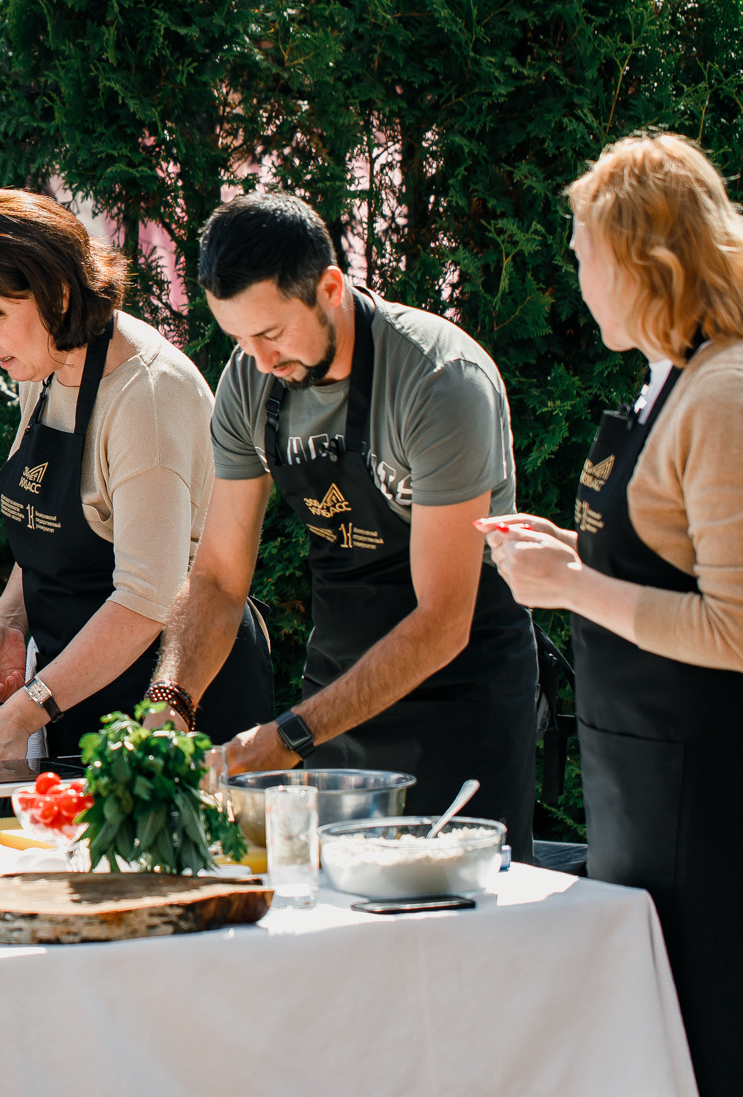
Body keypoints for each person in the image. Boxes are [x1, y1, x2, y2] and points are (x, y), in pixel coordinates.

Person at [484, 134, 743, 1097]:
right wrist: (569, 553)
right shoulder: (675, 373)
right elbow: (672, 562)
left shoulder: (731, 396)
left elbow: (741, 628)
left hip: (720, 794)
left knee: (729, 1063)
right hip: (653, 780)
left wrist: (572, 586)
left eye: (586, 254)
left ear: (644, 260)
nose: (577, 276)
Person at [143, 191, 540, 858]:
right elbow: (215, 577)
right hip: (330, 699)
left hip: (457, 700)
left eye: (269, 334)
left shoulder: (441, 384)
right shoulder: (250, 382)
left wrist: (289, 736)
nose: (258, 361)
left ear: (330, 287)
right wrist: (168, 705)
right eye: (238, 338)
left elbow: (443, 618)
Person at [0, 190, 272, 763]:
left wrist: (26, 708)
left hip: (174, 699)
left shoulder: (147, 397)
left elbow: (147, 598)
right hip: (78, 694)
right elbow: (54, 528)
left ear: (56, 295)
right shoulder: (41, 365)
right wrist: (8, 619)